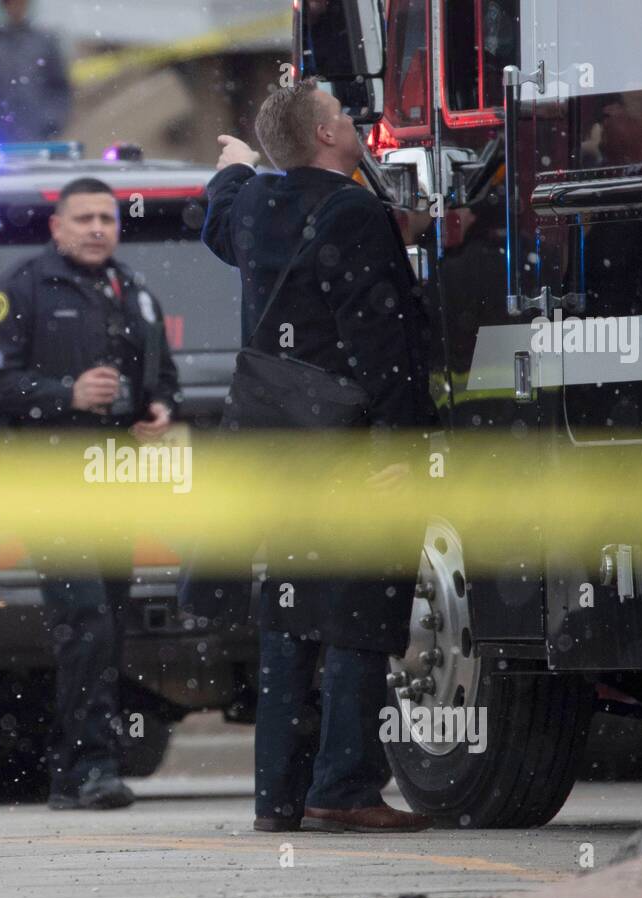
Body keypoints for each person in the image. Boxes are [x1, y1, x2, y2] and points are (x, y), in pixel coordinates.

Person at [201, 80, 437, 833]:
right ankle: (344, 784)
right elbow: (381, 338)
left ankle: (279, 796)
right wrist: (402, 441)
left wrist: (238, 164)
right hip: (349, 447)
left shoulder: (253, 207)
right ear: (330, 135)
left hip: (278, 447)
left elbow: (218, 215)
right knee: (360, 616)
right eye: (345, 116)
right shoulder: (355, 214)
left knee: (290, 615)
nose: (357, 124)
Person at [0, 177, 179, 810]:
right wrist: (65, 394)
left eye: (107, 220)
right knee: (84, 618)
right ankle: (92, 765)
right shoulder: (20, 289)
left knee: (109, 625)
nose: (97, 230)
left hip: (114, 484)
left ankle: (75, 769)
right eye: (84, 218)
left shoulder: (133, 290)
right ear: (56, 226)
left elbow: (162, 371)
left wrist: (159, 407)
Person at [0, 0, 72, 142]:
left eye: (20, 3)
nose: (16, 9)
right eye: (11, 4)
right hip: (3, 134)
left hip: (40, 132)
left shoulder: (44, 42)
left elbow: (59, 86)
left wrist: (52, 120)